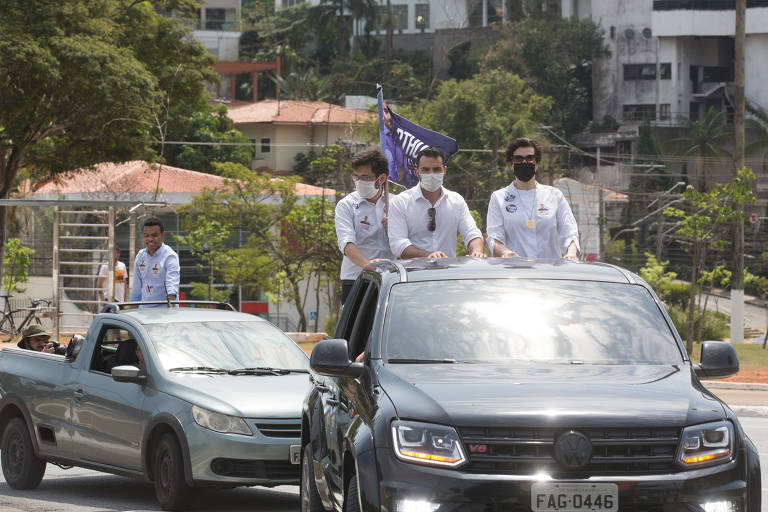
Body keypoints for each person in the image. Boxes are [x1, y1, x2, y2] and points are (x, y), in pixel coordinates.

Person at [486, 138, 580, 260]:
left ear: (536, 164)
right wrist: (505, 252)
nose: (524, 162)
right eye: (518, 159)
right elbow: (494, 237)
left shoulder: (554, 195)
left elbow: (570, 231)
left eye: (529, 158)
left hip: (550, 273)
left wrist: (571, 253)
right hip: (513, 272)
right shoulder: (498, 198)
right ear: (511, 164)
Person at [388, 147, 484, 259]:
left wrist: (477, 251)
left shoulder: (457, 201)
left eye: (437, 169)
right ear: (417, 172)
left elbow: (472, 233)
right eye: (426, 170)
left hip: (447, 274)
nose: (431, 174)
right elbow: (398, 244)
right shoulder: (400, 202)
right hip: (413, 274)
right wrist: (428, 256)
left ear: (445, 170)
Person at [335, 149, 393, 304]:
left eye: (365, 177)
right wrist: (368, 266)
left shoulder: (397, 205)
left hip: (392, 281)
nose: (359, 181)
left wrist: (395, 230)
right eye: (356, 176)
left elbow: (406, 243)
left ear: (381, 178)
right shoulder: (346, 205)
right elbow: (347, 244)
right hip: (356, 279)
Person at [130, 218, 180, 307]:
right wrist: (133, 312)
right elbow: (136, 289)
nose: (150, 239)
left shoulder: (170, 256)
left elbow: (172, 286)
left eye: (154, 235)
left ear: (163, 235)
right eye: (146, 235)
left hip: (164, 313)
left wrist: (171, 309)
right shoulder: (140, 256)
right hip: (143, 312)